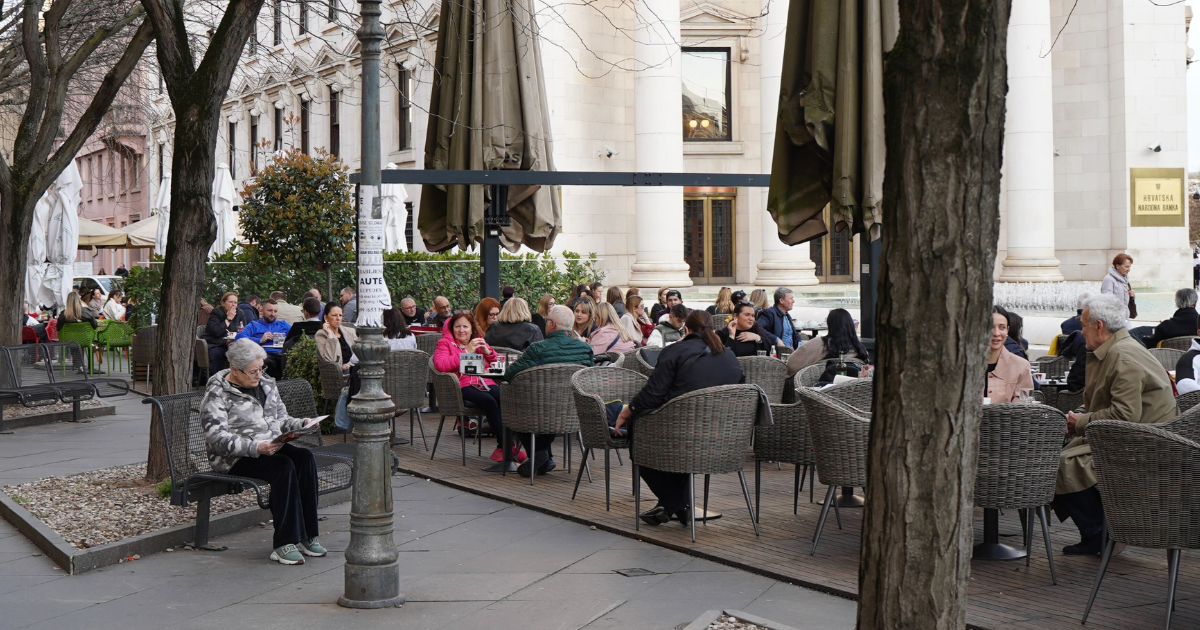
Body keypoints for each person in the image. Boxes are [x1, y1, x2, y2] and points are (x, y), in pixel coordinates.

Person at [1056, 293, 1176, 555]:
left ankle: (1102, 533)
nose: (1081, 331)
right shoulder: (1117, 349)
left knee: (1063, 464)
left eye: (1084, 325)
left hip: (1145, 444)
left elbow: (1124, 415)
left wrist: (1080, 421)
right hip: (1133, 435)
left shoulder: (1122, 356)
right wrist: (1076, 418)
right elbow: (1101, 402)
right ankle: (1100, 531)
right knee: (1057, 458)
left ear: (1099, 326)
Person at [199, 339, 326, 565]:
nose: (259, 375)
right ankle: (284, 542)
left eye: (261, 368)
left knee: (304, 458)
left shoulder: (266, 383)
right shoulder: (217, 392)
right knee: (282, 466)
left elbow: (281, 418)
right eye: (253, 371)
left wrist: (302, 424)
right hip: (234, 456)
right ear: (235, 370)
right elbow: (216, 438)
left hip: (270, 445)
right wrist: (256, 447)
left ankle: (308, 533)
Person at [615, 310, 745, 525]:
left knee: (640, 439)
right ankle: (674, 505)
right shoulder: (728, 355)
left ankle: (675, 504)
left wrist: (628, 411)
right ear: (712, 328)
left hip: (680, 434)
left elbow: (653, 393)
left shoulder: (676, 351)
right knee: (677, 439)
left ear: (686, 329)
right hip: (723, 438)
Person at [504, 305, 595, 477]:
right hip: (573, 411)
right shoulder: (585, 349)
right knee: (555, 405)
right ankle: (545, 458)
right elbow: (588, 377)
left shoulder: (538, 349)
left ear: (552, 324)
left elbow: (509, 374)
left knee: (517, 409)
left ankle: (540, 453)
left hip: (540, 410)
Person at [432, 312, 521, 464]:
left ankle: (505, 448)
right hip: (462, 385)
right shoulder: (445, 343)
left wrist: (488, 352)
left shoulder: (478, 341)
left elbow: (496, 363)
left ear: (471, 328)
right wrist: (466, 352)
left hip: (486, 382)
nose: (461, 330)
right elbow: (441, 365)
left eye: (465, 326)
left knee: (505, 399)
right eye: (457, 327)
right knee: (489, 402)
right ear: (452, 329)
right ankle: (509, 448)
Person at [784, 308, 865, 373]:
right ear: (850, 325)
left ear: (829, 325)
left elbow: (791, 366)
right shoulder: (859, 347)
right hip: (852, 387)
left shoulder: (819, 343)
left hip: (816, 386)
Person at [982, 306, 1034, 403]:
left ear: (1007, 330)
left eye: (1002, 327)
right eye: (990, 327)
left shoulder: (1021, 366)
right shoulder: (962, 365)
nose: (996, 333)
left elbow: (1023, 408)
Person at [235, 300, 291, 379]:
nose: (272, 314)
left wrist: (287, 340)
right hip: (264, 354)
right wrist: (260, 340)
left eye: (275, 311)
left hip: (282, 354)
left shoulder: (283, 325)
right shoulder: (254, 325)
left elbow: (297, 335)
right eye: (270, 311)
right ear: (262, 311)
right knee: (268, 362)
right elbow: (239, 338)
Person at [314, 302, 360, 397]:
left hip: (353, 367)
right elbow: (330, 359)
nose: (338, 318)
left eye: (340, 315)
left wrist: (349, 364)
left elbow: (359, 352)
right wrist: (330, 335)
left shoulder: (350, 331)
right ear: (326, 317)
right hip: (339, 373)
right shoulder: (321, 334)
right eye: (334, 315)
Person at [204, 292, 249, 373]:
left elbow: (245, 331)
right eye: (230, 302)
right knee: (217, 354)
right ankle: (218, 378)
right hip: (217, 344)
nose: (233, 305)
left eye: (235, 302)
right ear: (223, 303)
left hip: (235, 344)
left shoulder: (240, 313)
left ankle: (239, 377)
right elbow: (216, 331)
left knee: (244, 354)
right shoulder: (216, 312)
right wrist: (228, 319)